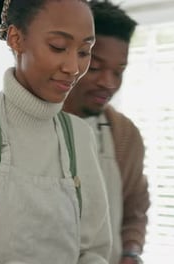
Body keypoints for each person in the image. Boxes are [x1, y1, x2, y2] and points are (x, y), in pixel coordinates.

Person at [0, 0, 113, 263]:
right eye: (58, 47)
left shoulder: (79, 136)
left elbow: (93, 250)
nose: (73, 67)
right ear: (16, 39)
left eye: (84, 52)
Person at [63, 1, 150, 264]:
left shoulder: (125, 135)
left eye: (119, 71)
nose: (109, 83)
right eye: (97, 67)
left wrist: (130, 252)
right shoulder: (28, 128)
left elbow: (135, 208)